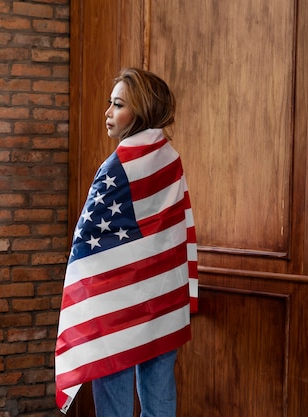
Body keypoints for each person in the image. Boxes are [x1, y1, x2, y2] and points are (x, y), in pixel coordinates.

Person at [55, 68, 198, 417]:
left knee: (114, 386)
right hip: (163, 294)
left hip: (115, 301)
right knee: (160, 388)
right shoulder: (170, 160)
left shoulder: (116, 165)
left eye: (118, 105)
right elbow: (177, 229)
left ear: (141, 112)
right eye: (110, 103)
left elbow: (87, 240)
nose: (107, 112)